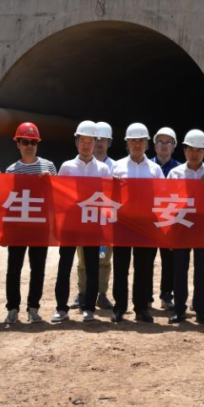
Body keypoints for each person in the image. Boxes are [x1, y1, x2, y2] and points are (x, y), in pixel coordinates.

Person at [55, 120, 111, 324]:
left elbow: (108, 197)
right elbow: (59, 195)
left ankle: (89, 308)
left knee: (92, 266)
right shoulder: (67, 167)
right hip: (70, 223)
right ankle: (61, 308)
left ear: (95, 143)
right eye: (83, 141)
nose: (86, 145)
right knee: (65, 265)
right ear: (77, 142)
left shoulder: (103, 169)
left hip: (92, 223)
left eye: (90, 141)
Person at [3, 122, 57, 324]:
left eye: (33, 142)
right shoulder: (11, 170)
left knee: (38, 269)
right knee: (14, 269)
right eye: (25, 142)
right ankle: (12, 308)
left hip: (40, 226)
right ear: (18, 144)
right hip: (18, 227)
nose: (29, 146)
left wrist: (51, 182)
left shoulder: (49, 166)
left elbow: (59, 196)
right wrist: (4, 231)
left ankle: (33, 307)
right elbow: (6, 202)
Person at [111, 123, 164, 324]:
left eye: (141, 140)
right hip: (122, 224)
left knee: (144, 268)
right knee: (120, 267)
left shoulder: (155, 169)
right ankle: (119, 307)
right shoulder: (116, 167)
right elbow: (106, 195)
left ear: (147, 144)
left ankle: (141, 307)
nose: (137, 144)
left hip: (145, 225)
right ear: (127, 143)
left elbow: (163, 195)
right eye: (133, 141)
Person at [166, 130, 204, 324]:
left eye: (199, 150)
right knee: (180, 269)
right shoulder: (175, 173)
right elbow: (167, 202)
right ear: (184, 150)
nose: (195, 154)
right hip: (181, 225)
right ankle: (179, 309)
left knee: (201, 269)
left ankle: (201, 309)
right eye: (191, 149)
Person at [75, 121, 115, 312]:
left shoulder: (113, 167)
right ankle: (82, 293)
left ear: (108, 142)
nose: (99, 144)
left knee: (104, 259)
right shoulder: (76, 165)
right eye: (96, 141)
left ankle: (102, 294)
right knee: (83, 260)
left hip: (104, 221)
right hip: (83, 218)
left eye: (102, 140)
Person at [153, 127, 181, 310]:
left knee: (169, 261)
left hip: (170, 221)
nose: (164, 146)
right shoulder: (147, 165)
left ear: (174, 146)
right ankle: (145, 296)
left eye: (168, 142)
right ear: (155, 145)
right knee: (145, 260)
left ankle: (166, 295)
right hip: (148, 220)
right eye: (160, 142)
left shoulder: (180, 169)